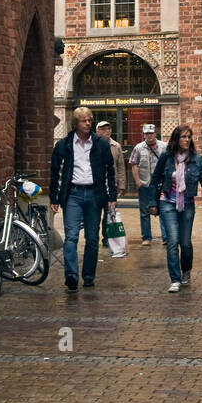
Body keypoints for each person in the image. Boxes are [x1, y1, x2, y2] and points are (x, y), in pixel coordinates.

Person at [50, 106, 117, 291]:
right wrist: (54, 198)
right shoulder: (63, 145)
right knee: (71, 236)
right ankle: (71, 275)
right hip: (73, 194)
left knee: (92, 238)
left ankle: (88, 276)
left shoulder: (100, 144)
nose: (88, 123)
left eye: (90, 120)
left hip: (95, 194)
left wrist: (112, 196)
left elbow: (110, 172)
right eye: (84, 120)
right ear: (75, 123)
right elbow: (55, 173)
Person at [147, 125, 202, 292]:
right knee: (172, 241)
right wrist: (152, 203)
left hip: (187, 205)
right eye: (183, 137)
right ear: (176, 139)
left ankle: (186, 270)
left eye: (188, 137)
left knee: (185, 243)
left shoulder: (197, 160)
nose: (186, 140)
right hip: (167, 202)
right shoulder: (166, 157)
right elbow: (155, 180)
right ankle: (175, 279)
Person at [128, 124, 166, 246]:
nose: (149, 136)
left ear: (155, 133)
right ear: (144, 134)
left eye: (151, 133)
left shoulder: (164, 147)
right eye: (146, 133)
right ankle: (146, 237)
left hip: (161, 184)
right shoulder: (138, 148)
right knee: (144, 212)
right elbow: (134, 165)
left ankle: (166, 237)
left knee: (163, 210)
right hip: (145, 184)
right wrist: (138, 182)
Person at [95, 121, 125, 246]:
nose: (106, 131)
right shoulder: (92, 144)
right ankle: (93, 238)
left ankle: (107, 238)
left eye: (108, 129)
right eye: (103, 129)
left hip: (111, 185)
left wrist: (121, 185)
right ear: (97, 131)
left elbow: (121, 166)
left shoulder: (116, 146)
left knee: (109, 214)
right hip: (96, 187)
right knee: (95, 215)